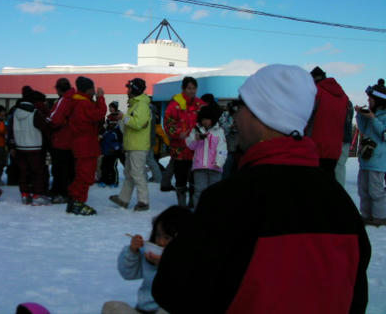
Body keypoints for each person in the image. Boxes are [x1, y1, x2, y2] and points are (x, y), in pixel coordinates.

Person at [152, 64, 371, 314]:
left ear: (260, 115)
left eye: (239, 106)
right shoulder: (342, 204)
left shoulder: (228, 201)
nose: (235, 117)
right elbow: (356, 298)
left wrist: (175, 251)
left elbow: (173, 291)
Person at [102, 206, 192, 314]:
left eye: (167, 238)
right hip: (143, 310)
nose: (161, 242)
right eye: (158, 235)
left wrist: (165, 265)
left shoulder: (190, 260)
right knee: (110, 307)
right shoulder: (149, 253)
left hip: (168, 309)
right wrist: (132, 252)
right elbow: (128, 274)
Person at [109, 78, 152, 211]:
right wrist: (121, 120)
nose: (127, 90)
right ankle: (123, 199)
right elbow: (130, 124)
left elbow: (138, 124)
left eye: (129, 88)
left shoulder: (142, 105)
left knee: (137, 174)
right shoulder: (134, 104)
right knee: (129, 174)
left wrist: (123, 117)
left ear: (135, 90)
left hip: (138, 146)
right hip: (132, 145)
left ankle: (143, 202)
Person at [66, 76, 106, 216]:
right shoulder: (84, 104)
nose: (95, 91)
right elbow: (99, 114)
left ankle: (75, 201)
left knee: (82, 174)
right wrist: (101, 98)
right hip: (86, 145)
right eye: (93, 88)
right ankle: (78, 202)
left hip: (81, 144)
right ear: (88, 89)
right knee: (85, 176)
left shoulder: (78, 101)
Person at [163, 76, 205, 207]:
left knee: (194, 178)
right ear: (183, 88)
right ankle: (181, 204)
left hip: (197, 149)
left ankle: (193, 202)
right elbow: (168, 122)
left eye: (194, 88)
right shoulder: (175, 104)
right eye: (189, 88)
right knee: (181, 178)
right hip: (180, 148)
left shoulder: (200, 104)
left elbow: (209, 120)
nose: (192, 91)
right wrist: (177, 133)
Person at [9, 88, 51, 205]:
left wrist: (12, 145)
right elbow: (45, 127)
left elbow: (11, 129)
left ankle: (24, 194)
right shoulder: (35, 113)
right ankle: (37, 195)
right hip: (35, 146)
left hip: (20, 146)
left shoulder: (15, 112)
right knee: (37, 172)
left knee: (23, 172)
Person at [307, 66, 349, 180]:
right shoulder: (343, 97)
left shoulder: (317, 93)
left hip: (315, 146)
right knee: (328, 182)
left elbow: (306, 117)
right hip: (334, 149)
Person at [354, 78, 386, 226]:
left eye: (371, 98)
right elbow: (362, 128)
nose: (369, 100)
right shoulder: (370, 114)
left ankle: (380, 217)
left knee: (376, 191)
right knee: (363, 190)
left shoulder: (382, 116)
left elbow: (384, 134)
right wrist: (360, 114)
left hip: (378, 161)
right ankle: (366, 215)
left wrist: (373, 119)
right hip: (366, 159)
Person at [185, 104, 227, 208]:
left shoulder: (219, 131)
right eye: (203, 119)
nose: (205, 121)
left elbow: (222, 148)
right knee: (199, 191)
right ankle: (199, 213)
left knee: (214, 192)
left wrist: (219, 162)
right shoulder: (196, 130)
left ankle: (212, 214)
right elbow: (190, 145)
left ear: (212, 119)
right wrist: (196, 139)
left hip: (215, 167)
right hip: (199, 167)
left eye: (208, 119)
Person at [48, 78, 76, 204]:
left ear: (59, 89)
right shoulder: (76, 99)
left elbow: (55, 119)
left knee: (60, 170)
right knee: (70, 169)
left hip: (61, 140)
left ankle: (60, 193)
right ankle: (70, 193)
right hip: (74, 140)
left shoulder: (64, 100)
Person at [335, 100, 354, 187]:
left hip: (339, 140)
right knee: (340, 168)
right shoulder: (347, 102)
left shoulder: (345, 103)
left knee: (338, 168)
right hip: (344, 140)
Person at [99, 120, 123, 187]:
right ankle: (104, 180)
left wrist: (115, 149)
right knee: (104, 167)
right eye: (110, 124)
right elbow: (103, 141)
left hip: (113, 154)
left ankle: (114, 181)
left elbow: (118, 143)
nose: (111, 125)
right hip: (105, 153)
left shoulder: (116, 133)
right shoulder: (106, 132)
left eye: (113, 124)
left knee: (112, 167)